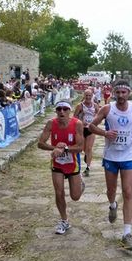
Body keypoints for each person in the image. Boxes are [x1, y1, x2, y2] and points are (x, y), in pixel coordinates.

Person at [88, 80, 132, 251]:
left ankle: (127, 234)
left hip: (129, 155)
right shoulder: (107, 109)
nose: (121, 96)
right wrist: (105, 133)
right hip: (111, 156)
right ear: (114, 93)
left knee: (128, 192)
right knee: (111, 191)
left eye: (124, 92)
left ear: (128, 93)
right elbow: (91, 126)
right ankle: (112, 205)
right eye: (118, 93)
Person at [37, 100, 84, 235]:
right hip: (57, 164)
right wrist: (55, 148)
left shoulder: (77, 124)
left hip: (72, 163)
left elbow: (80, 147)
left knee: (75, 196)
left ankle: (80, 184)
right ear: (56, 111)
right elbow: (40, 143)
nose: (61, 112)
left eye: (65, 109)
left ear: (69, 111)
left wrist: (66, 149)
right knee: (59, 192)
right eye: (59, 109)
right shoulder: (51, 123)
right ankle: (64, 220)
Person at [73, 89, 99, 177]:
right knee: (83, 149)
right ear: (84, 96)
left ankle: (88, 168)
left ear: (92, 96)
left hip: (91, 129)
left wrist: (94, 122)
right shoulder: (80, 106)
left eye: (89, 96)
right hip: (81, 129)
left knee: (89, 148)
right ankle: (86, 157)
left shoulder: (95, 106)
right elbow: (74, 117)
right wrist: (80, 121)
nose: (88, 97)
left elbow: (98, 116)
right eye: (86, 95)